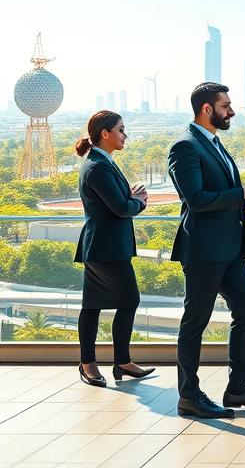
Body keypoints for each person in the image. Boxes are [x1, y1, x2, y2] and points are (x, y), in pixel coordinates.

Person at [168, 82, 245, 419]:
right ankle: (189, 396)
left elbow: (229, 195)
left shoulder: (214, 144)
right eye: (225, 106)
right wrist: (242, 192)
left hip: (230, 249)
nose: (230, 111)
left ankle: (238, 389)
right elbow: (197, 201)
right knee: (195, 322)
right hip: (203, 249)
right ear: (206, 109)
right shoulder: (185, 148)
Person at [74, 110, 154, 387]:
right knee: (125, 300)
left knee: (95, 305)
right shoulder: (97, 166)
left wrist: (129, 197)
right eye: (121, 129)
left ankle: (111, 362)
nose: (125, 135)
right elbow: (121, 208)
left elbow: (117, 201)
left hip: (105, 246)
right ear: (105, 134)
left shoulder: (102, 162)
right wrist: (139, 202)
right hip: (104, 248)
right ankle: (100, 363)